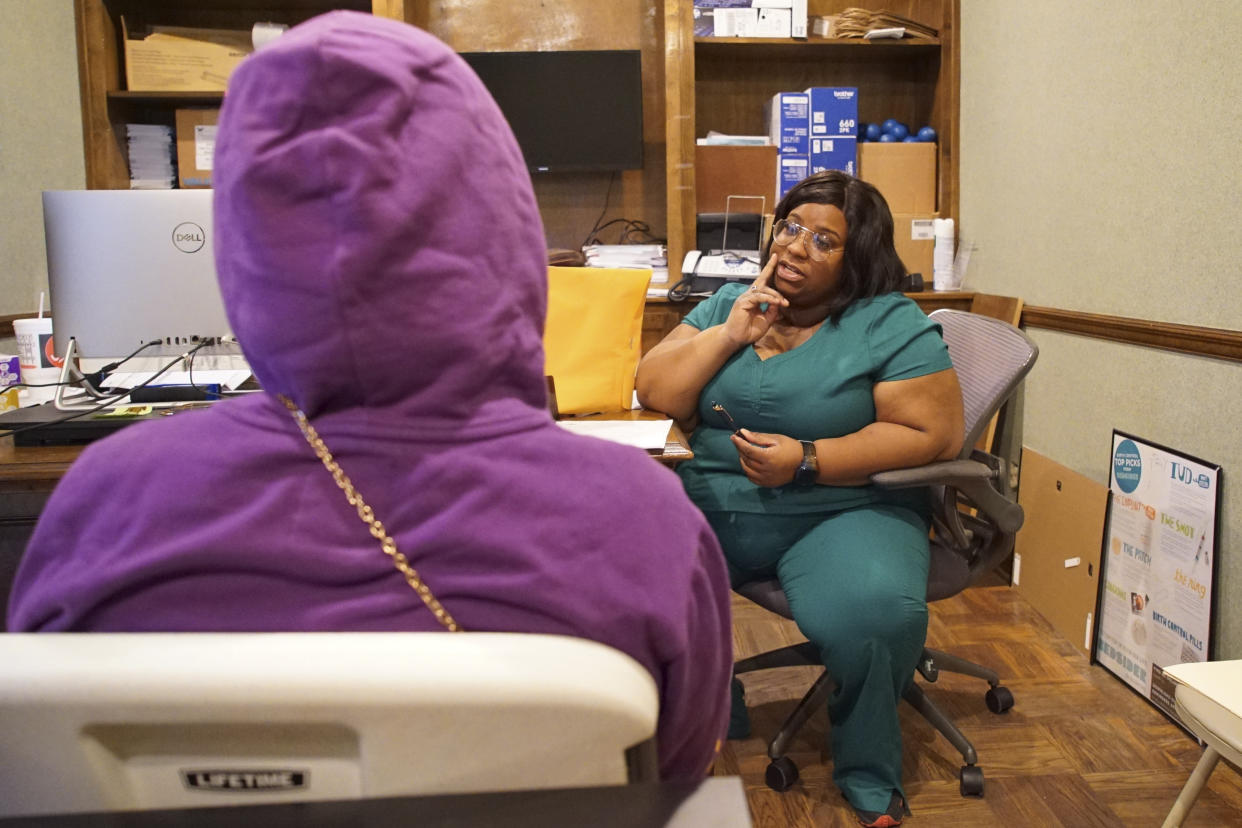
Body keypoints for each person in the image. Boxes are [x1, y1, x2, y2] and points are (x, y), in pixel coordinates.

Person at [7, 11, 732, 783]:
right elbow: (675, 779)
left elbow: (42, 766)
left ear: (242, 246)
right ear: (505, 233)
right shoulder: (646, 524)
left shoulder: (106, 502)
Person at [635, 170, 964, 825]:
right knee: (622, 569)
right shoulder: (728, 301)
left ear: (858, 258)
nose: (793, 248)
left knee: (874, 617)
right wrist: (730, 334)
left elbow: (934, 432)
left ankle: (869, 770)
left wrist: (810, 459)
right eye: (789, 227)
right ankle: (701, 721)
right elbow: (657, 391)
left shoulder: (887, 322)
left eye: (823, 240)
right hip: (708, 502)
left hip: (841, 509)